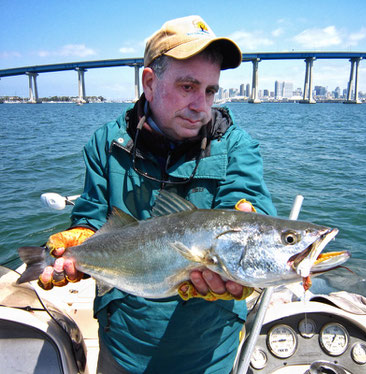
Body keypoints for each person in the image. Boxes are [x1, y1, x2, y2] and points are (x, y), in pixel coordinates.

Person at [40, 15, 276, 374]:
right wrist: (82, 238)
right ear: (149, 83)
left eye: (210, 91)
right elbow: (91, 217)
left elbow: (242, 208)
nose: (201, 104)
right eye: (187, 87)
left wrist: (245, 232)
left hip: (209, 351)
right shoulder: (107, 143)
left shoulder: (236, 146)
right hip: (124, 344)